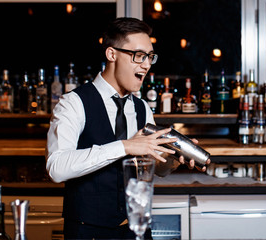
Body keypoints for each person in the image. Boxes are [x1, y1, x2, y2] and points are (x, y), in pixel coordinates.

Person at [46, 17, 210, 239]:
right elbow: (57, 168)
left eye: (150, 57)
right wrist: (125, 146)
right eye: (139, 56)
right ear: (112, 54)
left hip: (137, 229)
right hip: (88, 231)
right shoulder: (73, 103)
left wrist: (172, 160)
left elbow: (153, 167)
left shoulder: (142, 108)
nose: (146, 64)